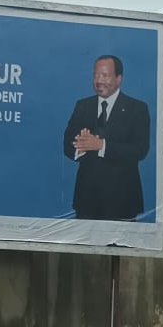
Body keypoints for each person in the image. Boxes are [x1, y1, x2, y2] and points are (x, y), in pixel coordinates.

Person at [63, 54, 151, 220]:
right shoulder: (83, 106)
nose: (98, 80)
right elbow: (67, 145)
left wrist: (101, 145)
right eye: (96, 75)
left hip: (123, 201)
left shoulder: (137, 109)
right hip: (86, 201)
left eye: (104, 75)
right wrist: (81, 146)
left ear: (118, 79)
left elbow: (140, 150)